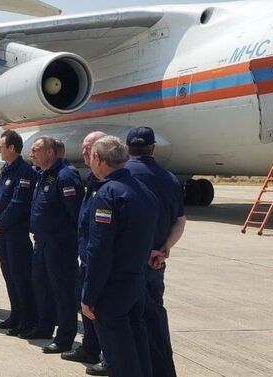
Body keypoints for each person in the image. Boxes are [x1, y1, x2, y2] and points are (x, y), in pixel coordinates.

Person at [81, 136, 158, 377]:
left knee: (119, 356)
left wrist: (89, 294)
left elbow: (99, 250)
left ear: (97, 158)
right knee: (137, 347)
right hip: (137, 282)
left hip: (113, 287)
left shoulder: (107, 194)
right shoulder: (143, 190)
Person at [124, 127, 185, 377]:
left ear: (127, 148)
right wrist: (163, 249)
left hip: (127, 264)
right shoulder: (170, 178)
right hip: (155, 263)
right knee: (154, 318)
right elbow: (180, 221)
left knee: (126, 322)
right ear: (153, 148)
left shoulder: (122, 175)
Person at [28, 136, 84, 354]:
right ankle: (44, 327)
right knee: (41, 286)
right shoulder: (45, 175)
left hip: (60, 245)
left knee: (63, 292)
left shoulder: (66, 175)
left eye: (36, 150)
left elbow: (75, 213)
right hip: (42, 242)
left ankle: (65, 337)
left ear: (50, 152)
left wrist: (65, 239)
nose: (32, 154)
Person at [60, 131, 108, 376]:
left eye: (89, 148)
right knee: (84, 302)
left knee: (102, 308)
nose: (84, 152)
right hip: (87, 254)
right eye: (83, 148)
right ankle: (89, 348)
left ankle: (108, 355)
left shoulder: (108, 183)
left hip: (102, 257)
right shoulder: (90, 178)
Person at [0, 130, 37, 336]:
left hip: (16, 234)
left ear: (11, 148)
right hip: (1, 233)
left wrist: (0, 222)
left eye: (1, 146)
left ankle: (27, 320)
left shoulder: (24, 172)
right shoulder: (5, 170)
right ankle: (15, 316)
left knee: (20, 278)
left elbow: (19, 204)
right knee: (9, 275)